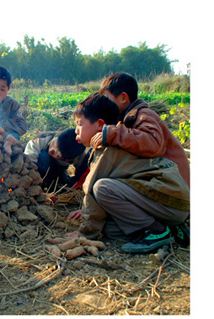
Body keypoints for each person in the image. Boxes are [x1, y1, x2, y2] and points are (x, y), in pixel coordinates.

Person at [69, 93, 190, 254]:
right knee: (109, 229)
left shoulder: (107, 150)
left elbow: (90, 192)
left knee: (101, 188)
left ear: (100, 125)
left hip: (171, 199)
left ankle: (157, 231)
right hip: (169, 203)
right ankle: (171, 228)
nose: (76, 130)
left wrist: (84, 235)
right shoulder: (119, 137)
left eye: (80, 124)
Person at [95, 72, 190, 187]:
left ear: (123, 98)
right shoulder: (128, 118)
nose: (104, 104)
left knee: (105, 189)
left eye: (106, 98)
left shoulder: (143, 115)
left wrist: (113, 133)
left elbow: (152, 143)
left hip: (176, 185)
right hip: (165, 180)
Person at [24, 129, 89, 192]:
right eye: (53, 144)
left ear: (68, 160)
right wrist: (37, 188)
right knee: (45, 158)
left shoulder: (78, 155)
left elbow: (81, 174)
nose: (51, 150)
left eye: (57, 154)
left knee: (64, 187)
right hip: (39, 170)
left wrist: (71, 188)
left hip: (58, 172)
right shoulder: (40, 140)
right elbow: (28, 167)